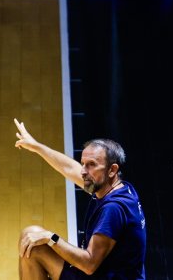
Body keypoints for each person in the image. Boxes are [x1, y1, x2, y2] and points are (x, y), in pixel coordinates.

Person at [14, 118, 146, 280]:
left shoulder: (113, 209)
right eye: (83, 164)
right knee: (31, 235)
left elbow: (89, 264)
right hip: (105, 271)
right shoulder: (117, 187)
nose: (84, 171)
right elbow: (70, 168)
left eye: (91, 164)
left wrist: (51, 238)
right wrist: (36, 147)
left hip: (97, 271)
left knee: (35, 248)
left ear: (112, 170)